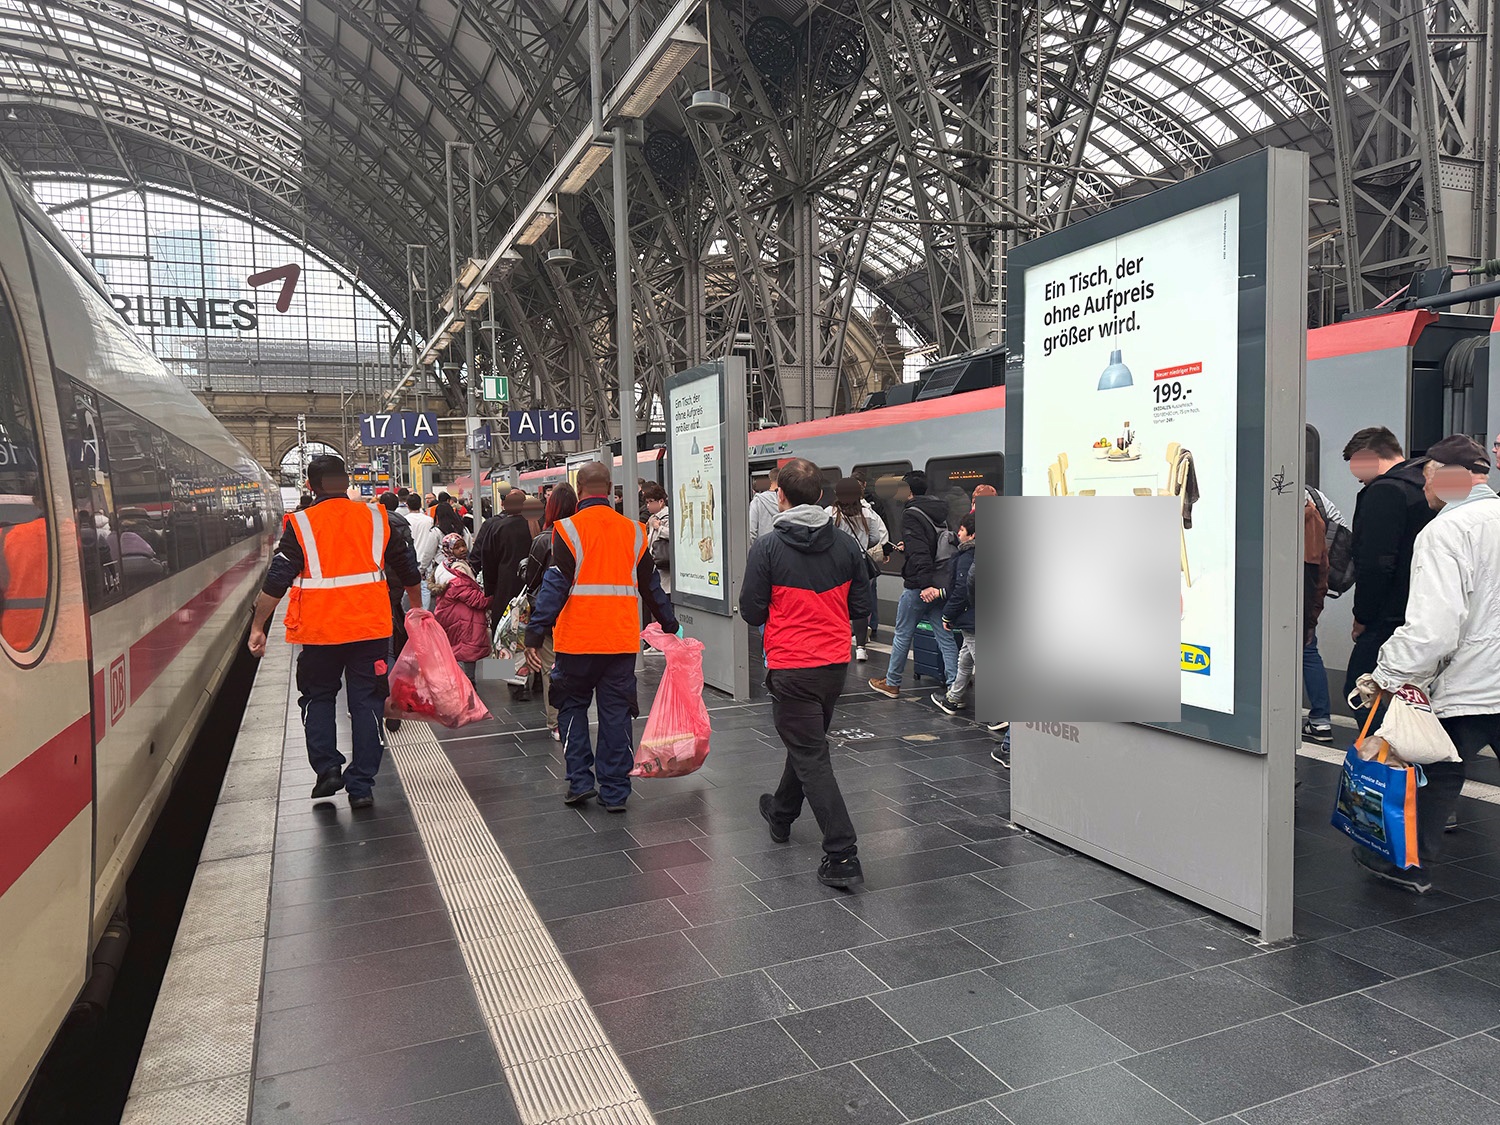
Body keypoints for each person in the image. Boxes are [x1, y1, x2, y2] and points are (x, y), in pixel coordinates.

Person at [1352, 435, 1500, 894]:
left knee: (1437, 768)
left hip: (1470, 678)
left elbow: (1433, 629)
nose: (1422, 488)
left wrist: (1386, 675)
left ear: (1441, 476)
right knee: (1444, 767)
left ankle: (1407, 867)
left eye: (1424, 477)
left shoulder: (1445, 531)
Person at [247, 455, 422, 809]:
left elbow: (277, 579)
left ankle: (327, 768)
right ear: (346, 481)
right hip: (370, 630)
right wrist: (417, 612)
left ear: (309, 485)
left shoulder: (301, 524)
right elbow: (407, 568)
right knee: (367, 701)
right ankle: (361, 786)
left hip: (319, 633)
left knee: (318, 697)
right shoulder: (376, 518)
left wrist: (258, 626)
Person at [740, 458, 871, 889]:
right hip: (833, 666)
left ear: (780, 495)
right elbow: (861, 607)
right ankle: (780, 813)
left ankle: (842, 853)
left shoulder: (767, 548)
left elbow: (751, 610)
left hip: (791, 666)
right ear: (819, 496)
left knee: (811, 755)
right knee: (807, 745)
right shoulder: (847, 545)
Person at [523, 461, 678, 810]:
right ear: (609, 489)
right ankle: (615, 791)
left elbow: (554, 587)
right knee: (616, 714)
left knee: (571, 707)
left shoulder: (567, 530)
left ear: (579, 490)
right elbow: (652, 587)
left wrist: (534, 634)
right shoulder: (634, 531)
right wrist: (670, 626)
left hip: (575, 642)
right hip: (619, 643)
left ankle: (580, 781)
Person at [1343, 427, 1435, 721]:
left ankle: (1381, 750)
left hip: (1387, 616)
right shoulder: (1424, 487)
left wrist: (1362, 616)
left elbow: (1377, 563)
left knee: (1360, 692)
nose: (1358, 477)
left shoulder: (1385, 491)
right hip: (1422, 614)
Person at [868, 470, 960, 698]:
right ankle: (954, 686)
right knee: (945, 637)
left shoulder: (911, 514)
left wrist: (925, 585)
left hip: (920, 586)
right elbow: (934, 545)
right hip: (938, 583)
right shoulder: (939, 511)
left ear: (908, 491)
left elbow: (921, 553)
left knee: (902, 633)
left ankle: (892, 682)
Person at [523, 482, 578, 741]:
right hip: (577, 611)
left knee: (550, 669)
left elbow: (532, 579)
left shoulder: (544, 539)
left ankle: (556, 723)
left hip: (549, 613)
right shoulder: (581, 536)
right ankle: (575, 717)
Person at [474, 488, 536, 699]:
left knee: (503, 633)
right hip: (532, 588)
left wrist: (490, 590)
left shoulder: (495, 526)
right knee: (531, 631)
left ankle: (511, 683)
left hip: (506, 588)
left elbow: (487, 562)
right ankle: (536, 678)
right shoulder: (536, 525)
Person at [826, 477, 888, 662]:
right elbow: (876, 538)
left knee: (836, 603)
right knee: (860, 605)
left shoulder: (830, 512)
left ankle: (836, 643)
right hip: (859, 562)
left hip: (835, 564)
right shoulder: (868, 514)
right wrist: (862, 543)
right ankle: (861, 648)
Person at [931, 512, 978, 716]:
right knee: (965, 659)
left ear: (972, 535)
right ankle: (953, 698)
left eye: (962, 530)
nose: (958, 533)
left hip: (973, 618)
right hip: (974, 618)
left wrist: (947, 615)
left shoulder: (967, 557)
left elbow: (961, 590)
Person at [431, 532, 491, 683]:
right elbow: (476, 599)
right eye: (457, 547)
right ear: (448, 550)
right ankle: (469, 684)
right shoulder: (458, 570)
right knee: (467, 651)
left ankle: (461, 683)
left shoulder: (445, 566)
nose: (463, 549)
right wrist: (495, 597)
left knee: (459, 650)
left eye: (463, 545)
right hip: (465, 620)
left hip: (456, 617)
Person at [1302, 487, 1335, 742]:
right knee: (1308, 652)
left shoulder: (1308, 515)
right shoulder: (1313, 510)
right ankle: (1320, 719)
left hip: (1278, 599)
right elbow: (1320, 569)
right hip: (1303, 599)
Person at [377, 490, 415, 665]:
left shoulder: (375, 523)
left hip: (379, 581)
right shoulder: (402, 523)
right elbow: (409, 554)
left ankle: (389, 664)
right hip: (397, 579)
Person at [403, 493, 436, 607]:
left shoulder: (404, 520)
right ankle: (424, 612)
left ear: (407, 505)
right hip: (425, 557)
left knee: (407, 587)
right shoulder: (429, 520)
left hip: (409, 559)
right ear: (420, 504)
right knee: (425, 587)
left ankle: (407, 612)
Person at [642, 481, 671, 595]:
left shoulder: (667, 516)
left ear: (661, 501)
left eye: (651, 502)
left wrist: (659, 528)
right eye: (647, 502)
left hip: (664, 565)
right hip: (655, 564)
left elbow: (673, 534)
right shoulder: (652, 518)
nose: (648, 505)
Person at [749, 466, 781, 544]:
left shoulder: (757, 501)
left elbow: (751, 531)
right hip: (782, 548)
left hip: (763, 547)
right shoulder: (786, 501)